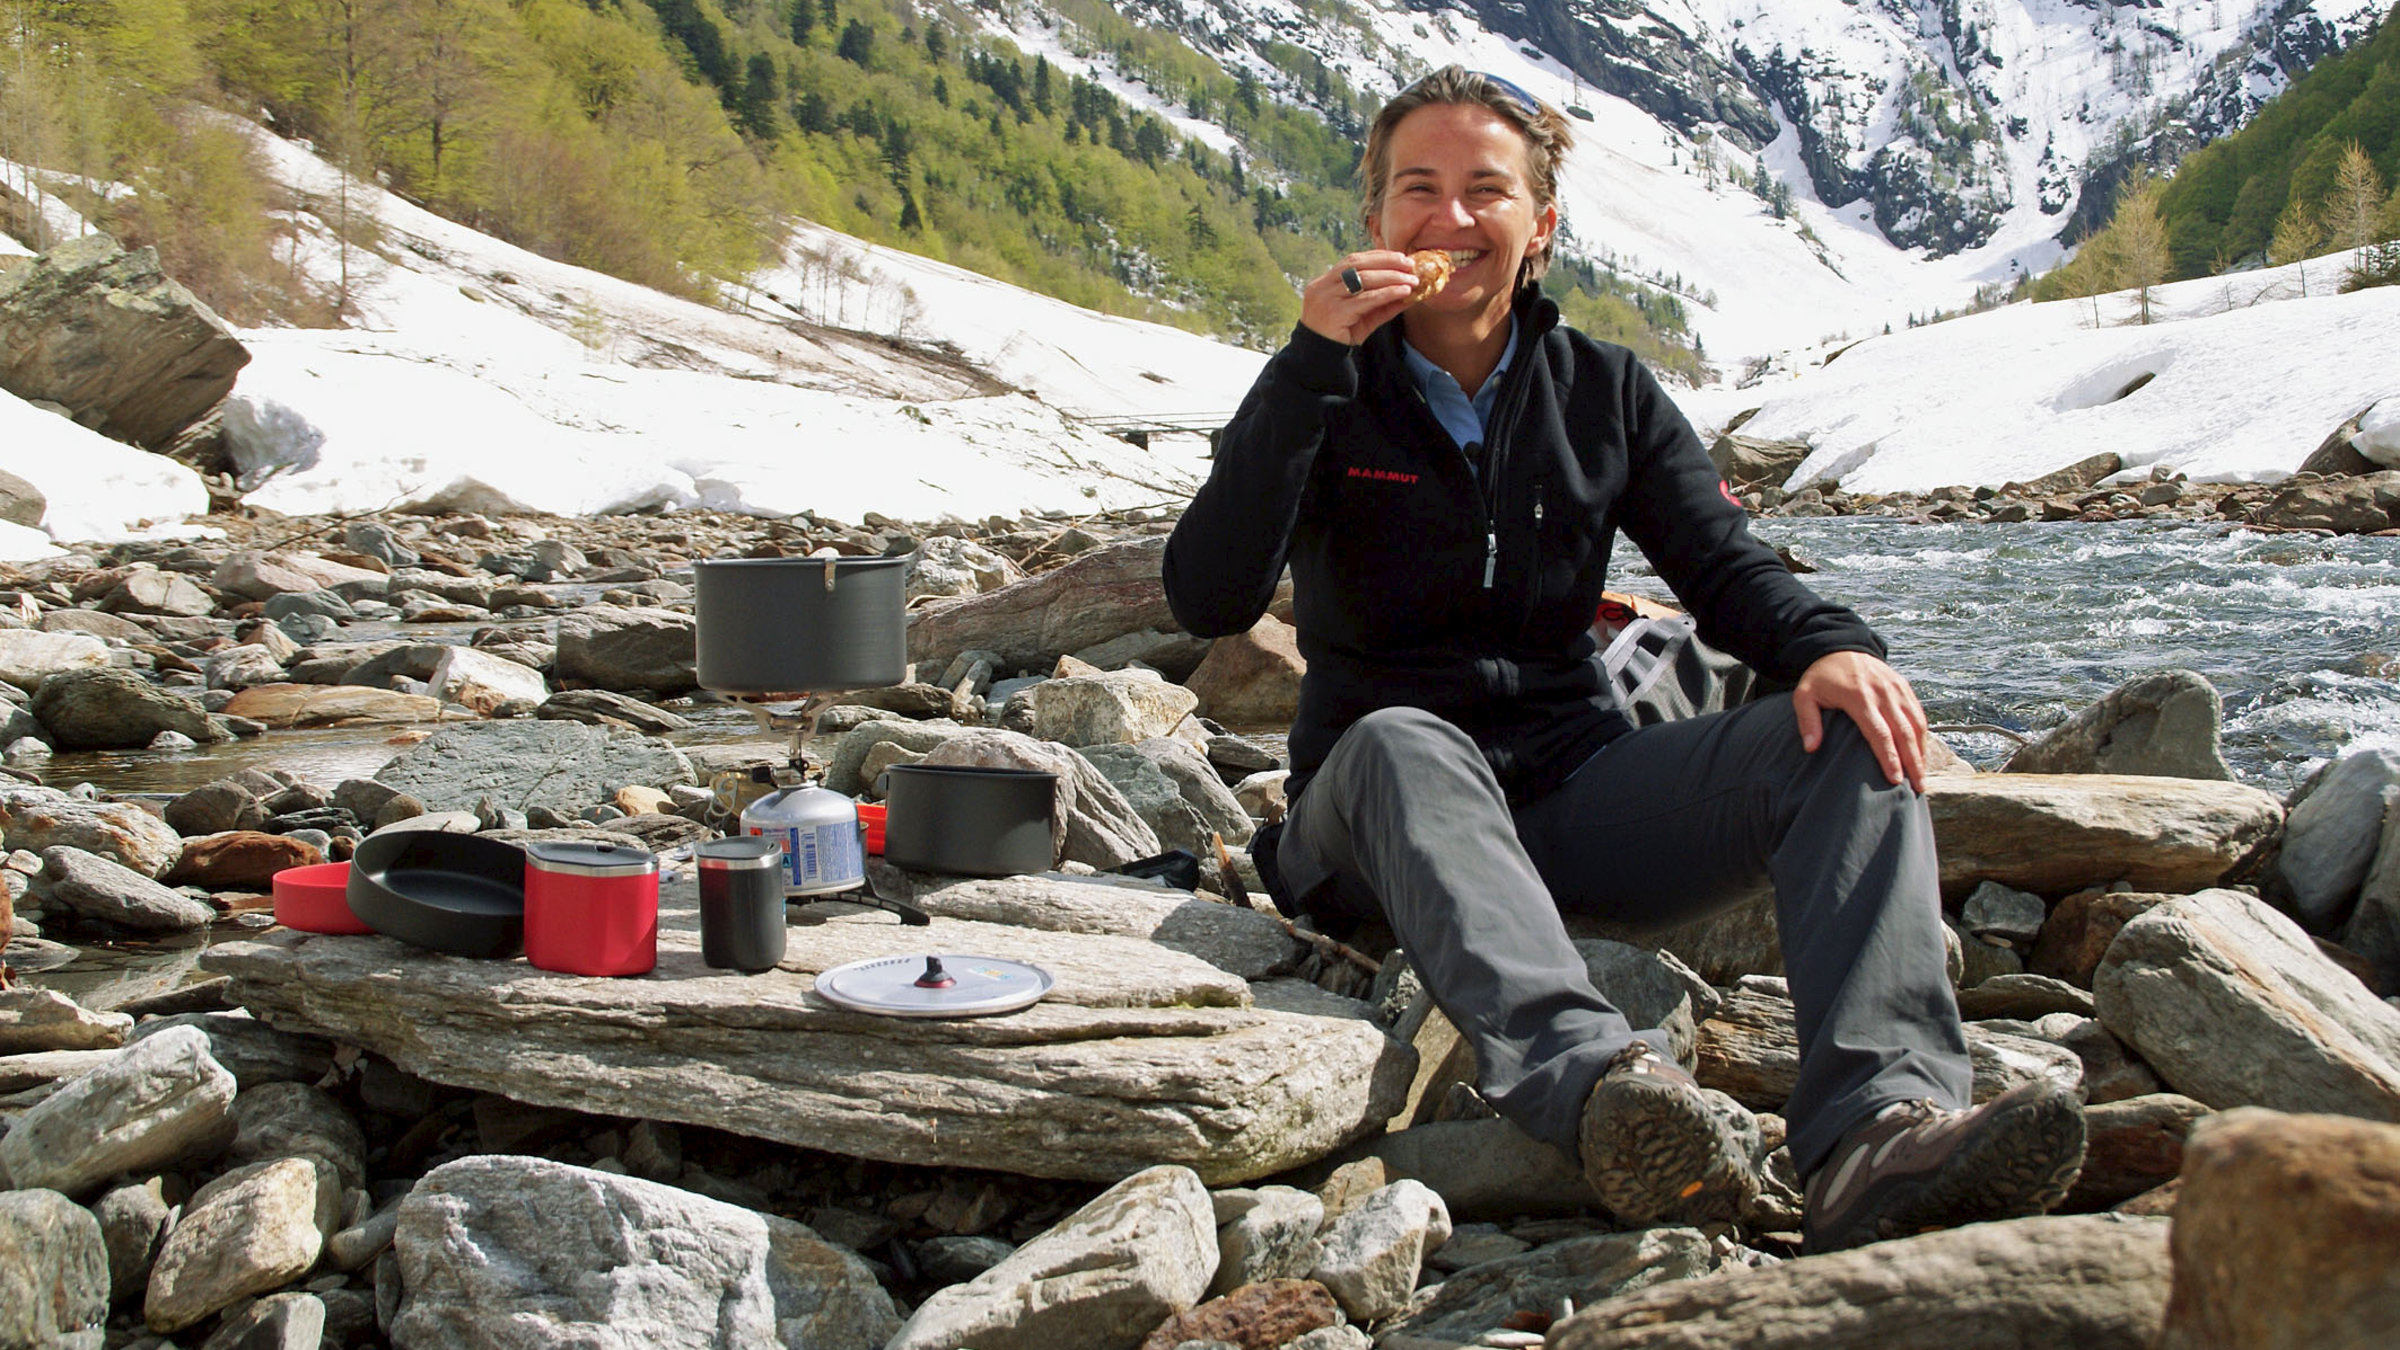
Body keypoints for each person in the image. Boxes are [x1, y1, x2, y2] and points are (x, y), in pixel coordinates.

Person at [1162, 66, 2086, 1251]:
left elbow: (1719, 561)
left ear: (1540, 224)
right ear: (1376, 222)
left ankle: (1877, 1138)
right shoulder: (1325, 386)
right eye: (1417, 189)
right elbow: (1207, 594)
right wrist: (1303, 367)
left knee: (1846, 730)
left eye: (1485, 190)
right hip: (1374, 824)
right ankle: (1606, 1097)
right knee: (1405, 740)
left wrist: (1832, 650)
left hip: (1570, 799)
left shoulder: (1602, 390)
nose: (1449, 219)